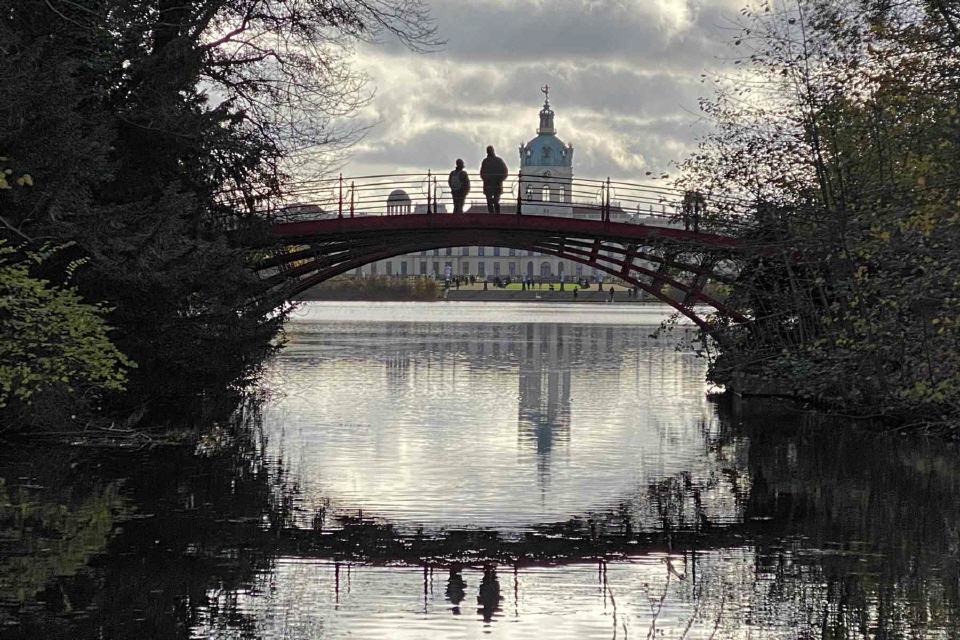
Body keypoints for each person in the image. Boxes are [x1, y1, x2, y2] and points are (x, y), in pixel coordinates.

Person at [479, 145, 508, 213]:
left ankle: (493, 215)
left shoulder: (485, 161)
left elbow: (482, 173)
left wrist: (487, 179)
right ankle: (496, 215)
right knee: (494, 201)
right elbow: (505, 172)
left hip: (490, 184)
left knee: (492, 202)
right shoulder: (498, 160)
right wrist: (499, 179)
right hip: (495, 184)